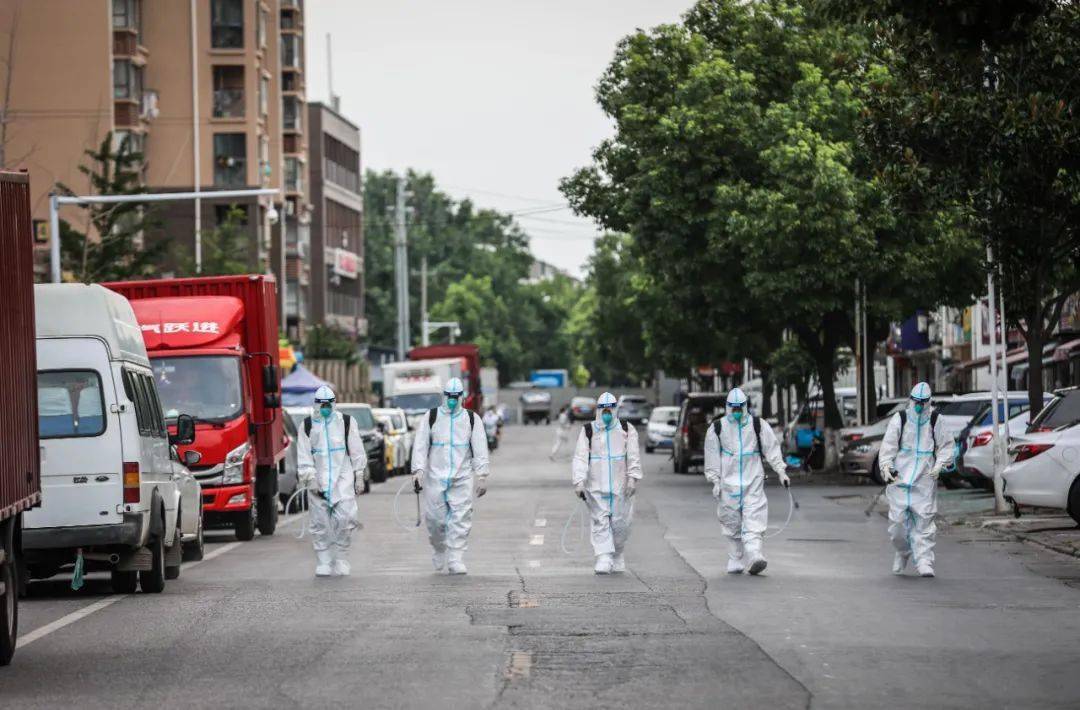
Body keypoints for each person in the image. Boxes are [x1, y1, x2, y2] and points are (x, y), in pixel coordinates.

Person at [703, 387, 790, 576]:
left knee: (754, 516)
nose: (736, 412)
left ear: (745, 407)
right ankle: (735, 558)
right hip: (728, 483)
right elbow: (711, 457)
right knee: (731, 520)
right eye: (732, 408)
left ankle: (755, 554)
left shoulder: (758, 425)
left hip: (753, 480)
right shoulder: (718, 428)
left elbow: (772, 450)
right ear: (727, 407)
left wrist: (781, 471)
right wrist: (715, 480)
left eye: (739, 408)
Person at [411, 377, 490, 575]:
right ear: (444, 396)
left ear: (461, 397)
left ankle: (456, 557)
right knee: (435, 520)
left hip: (461, 477)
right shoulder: (431, 417)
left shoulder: (471, 419)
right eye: (449, 397)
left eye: (456, 397)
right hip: (435, 477)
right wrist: (418, 471)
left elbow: (480, 449)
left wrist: (482, 475)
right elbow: (420, 446)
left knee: (461, 518)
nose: (452, 400)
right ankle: (439, 548)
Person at [878, 382, 952, 578]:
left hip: (924, 480)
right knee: (897, 527)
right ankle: (902, 551)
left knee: (924, 523)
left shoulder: (936, 420)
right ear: (911, 400)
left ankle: (924, 561)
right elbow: (888, 447)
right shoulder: (900, 419)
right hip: (900, 480)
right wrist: (886, 467)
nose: (919, 405)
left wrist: (939, 465)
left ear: (929, 402)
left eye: (923, 402)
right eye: (916, 402)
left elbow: (946, 446)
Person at [296, 385, 367, 577]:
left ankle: (342, 557)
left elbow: (356, 450)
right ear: (317, 405)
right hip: (317, 481)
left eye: (329, 404)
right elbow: (304, 456)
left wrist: (359, 474)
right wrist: (309, 478)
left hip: (342, 480)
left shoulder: (346, 422)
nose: (326, 408)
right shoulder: (307, 426)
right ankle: (324, 560)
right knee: (320, 523)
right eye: (322, 405)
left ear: (334, 404)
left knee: (345, 519)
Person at [571, 392, 643, 574]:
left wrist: (633, 479)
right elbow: (580, 457)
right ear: (598, 410)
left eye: (610, 409)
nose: (607, 413)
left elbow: (633, 456)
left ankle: (617, 554)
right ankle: (603, 557)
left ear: (615, 409)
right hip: (595, 486)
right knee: (599, 521)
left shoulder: (627, 429)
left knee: (620, 524)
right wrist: (579, 481)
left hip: (621, 486)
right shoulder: (588, 430)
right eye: (603, 409)